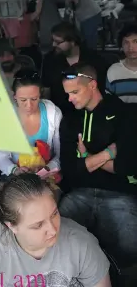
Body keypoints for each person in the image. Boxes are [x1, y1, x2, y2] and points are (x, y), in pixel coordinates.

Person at [59, 63, 137, 270]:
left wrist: (85, 158)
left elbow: (126, 166)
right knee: (58, 241)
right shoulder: (69, 120)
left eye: (75, 92)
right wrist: (107, 153)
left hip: (119, 194)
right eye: (67, 93)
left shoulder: (124, 114)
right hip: (79, 193)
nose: (70, 98)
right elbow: (69, 169)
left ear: (92, 85)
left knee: (131, 249)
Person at [0, 173, 111, 287]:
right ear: (11, 226)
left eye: (54, 214)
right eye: (38, 225)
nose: (53, 230)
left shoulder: (81, 243)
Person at [0, 69, 62, 180]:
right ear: (14, 97)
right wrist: (16, 170)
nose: (29, 105)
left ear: (40, 95)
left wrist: (46, 169)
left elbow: (61, 155)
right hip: (14, 176)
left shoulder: (53, 113)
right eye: (23, 100)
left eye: (34, 99)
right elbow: (1, 159)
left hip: (47, 175)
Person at [42, 22, 107, 115]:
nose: (53, 45)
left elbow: (100, 88)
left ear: (72, 42)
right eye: (52, 40)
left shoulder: (94, 59)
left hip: (90, 112)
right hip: (60, 113)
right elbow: (46, 89)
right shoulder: (50, 60)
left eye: (58, 42)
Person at [106, 23, 137, 103]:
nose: (130, 47)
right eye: (126, 42)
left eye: (135, 41)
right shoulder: (113, 71)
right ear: (121, 46)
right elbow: (108, 102)